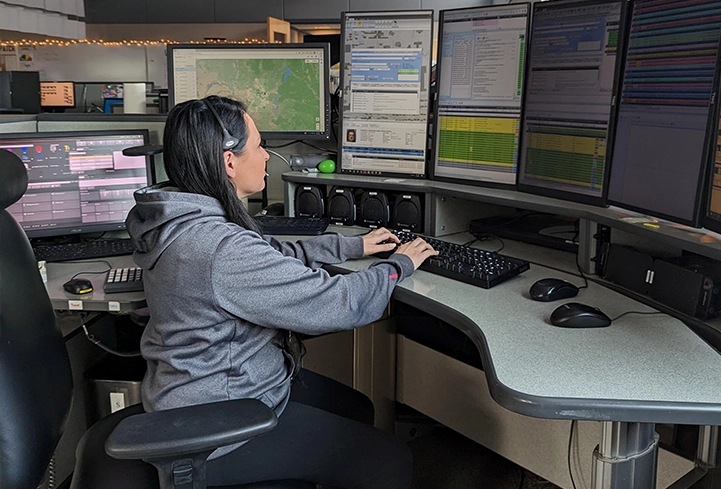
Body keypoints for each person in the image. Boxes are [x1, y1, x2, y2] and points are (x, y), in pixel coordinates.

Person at [125, 95, 438, 488]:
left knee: (357, 407)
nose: (268, 157)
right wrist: (399, 266)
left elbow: (269, 255)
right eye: (259, 146)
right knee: (389, 461)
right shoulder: (217, 247)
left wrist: (351, 246)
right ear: (229, 162)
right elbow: (338, 303)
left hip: (204, 388)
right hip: (219, 421)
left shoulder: (179, 219)